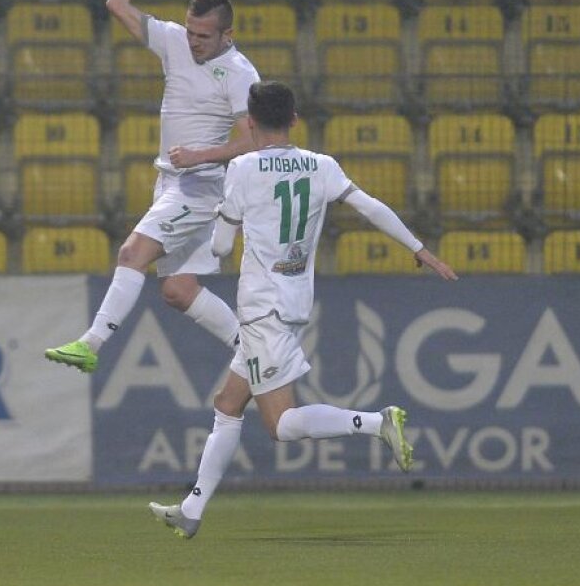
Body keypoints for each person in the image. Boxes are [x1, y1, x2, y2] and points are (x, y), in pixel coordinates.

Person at [149, 81, 458, 539]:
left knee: (282, 426)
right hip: (292, 301)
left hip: (260, 308)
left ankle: (377, 422)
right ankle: (193, 511)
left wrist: (211, 228)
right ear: (294, 119)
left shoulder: (243, 167)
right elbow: (371, 208)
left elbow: (219, 246)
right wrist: (420, 249)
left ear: (249, 123)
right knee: (228, 404)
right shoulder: (321, 165)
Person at [44, 0, 261, 373]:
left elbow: (253, 141)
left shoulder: (240, 74)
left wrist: (200, 156)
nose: (193, 41)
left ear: (227, 34)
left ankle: (92, 343)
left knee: (131, 254)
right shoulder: (175, 41)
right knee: (178, 290)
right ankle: (255, 349)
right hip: (171, 181)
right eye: (191, 30)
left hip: (200, 187)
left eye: (204, 35)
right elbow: (117, 6)